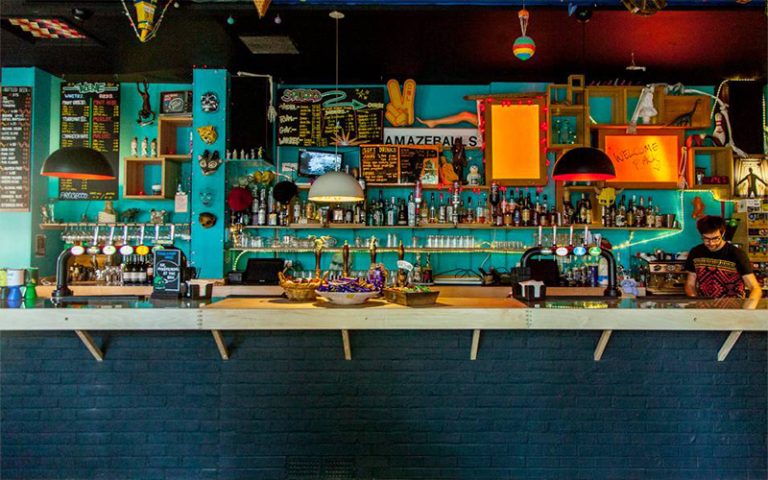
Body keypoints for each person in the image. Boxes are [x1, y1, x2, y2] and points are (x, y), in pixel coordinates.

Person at [684, 215, 762, 300]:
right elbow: (690, 285)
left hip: (733, 309)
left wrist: (749, 307)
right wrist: (695, 301)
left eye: (715, 238)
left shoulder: (737, 254)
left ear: (723, 233)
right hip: (705, 308)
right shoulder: (695, 252)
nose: (711, 243)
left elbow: (755, 288)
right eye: (706, 239)